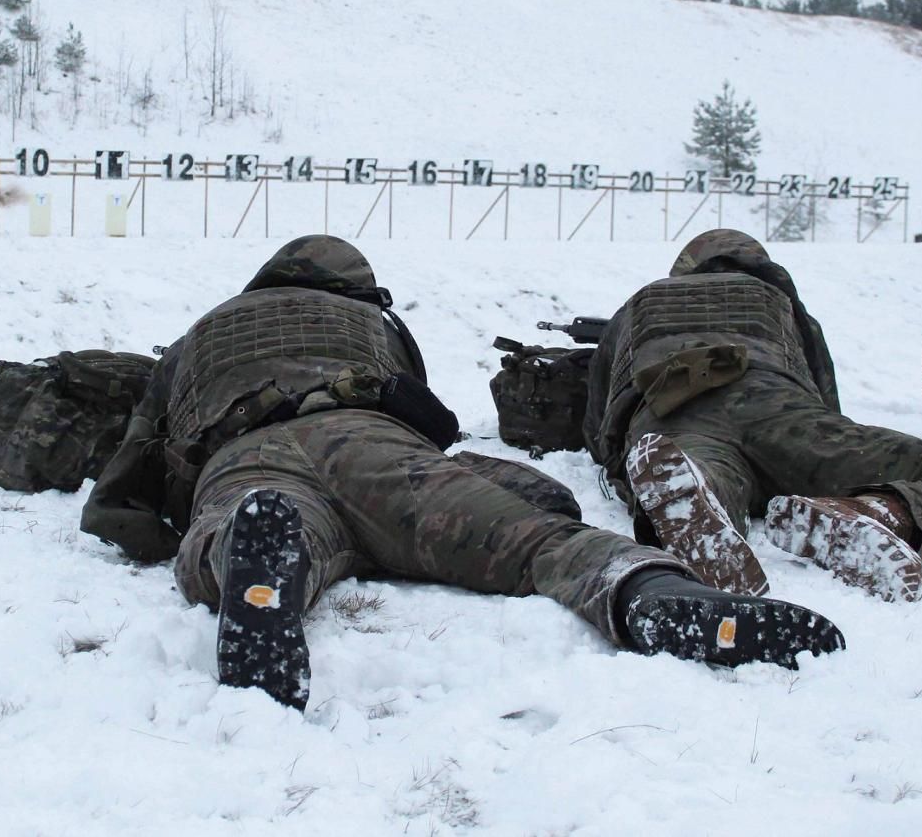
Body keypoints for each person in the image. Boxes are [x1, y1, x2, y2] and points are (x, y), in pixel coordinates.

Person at [81, 234, 844, 712]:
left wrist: (169, 521)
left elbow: (132, 470)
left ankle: (248, 553)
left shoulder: (203, 331)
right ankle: (648, 591)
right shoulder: (376, 325)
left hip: (243, 459)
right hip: (376, 448)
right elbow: (430, 422)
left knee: (246, 528)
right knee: (537, 540)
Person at [584, 229, 922, 603]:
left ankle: (705, 497)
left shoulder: (641, 303)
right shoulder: (780, 302)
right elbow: (824, 394)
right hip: (780, 408)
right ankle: (876, 511)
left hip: (673, 414)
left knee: (702, 471)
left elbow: (599, 425)